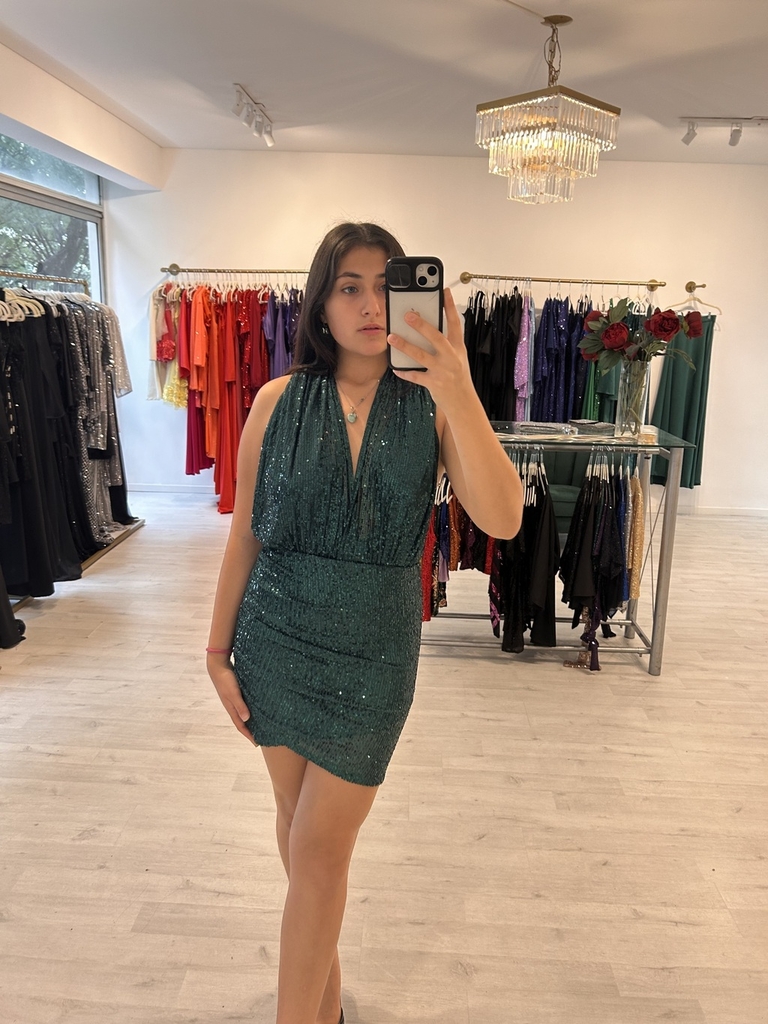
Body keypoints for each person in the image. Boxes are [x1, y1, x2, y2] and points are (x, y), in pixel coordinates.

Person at [207, 222, 523, 1024]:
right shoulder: (276, 401)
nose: (371, 304)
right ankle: (326, 1008)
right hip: (274, 640)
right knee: (301, 836)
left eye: (388, 286)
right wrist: (216, 650)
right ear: (320, 305)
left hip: (374, 656)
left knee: (318, 849)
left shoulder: (432, 406)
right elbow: (245, 533)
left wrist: (458, 384)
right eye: (349, 286)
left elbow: (505, 517)